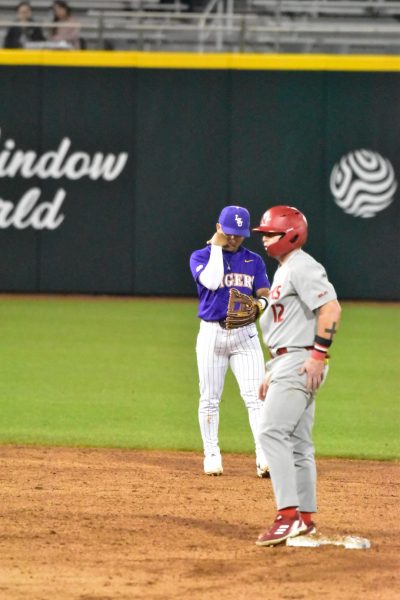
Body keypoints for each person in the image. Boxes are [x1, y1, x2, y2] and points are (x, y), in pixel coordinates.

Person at [252, 205, 341, 546]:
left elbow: (330, 308)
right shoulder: (285, 269)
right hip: (289, 361)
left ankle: (286, 517)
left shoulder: (302, 266)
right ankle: (304, 519)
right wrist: (271, 370)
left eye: (271, 233)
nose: (266, 240)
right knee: (299, 444)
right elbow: (285, 326)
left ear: (291, 234)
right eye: (264, 234)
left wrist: (318, 354)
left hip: (302, 359)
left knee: (272, 432)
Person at [189, 205, 271, 477]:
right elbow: (212, 282)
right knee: (210, 398)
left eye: (239, 234)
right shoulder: (200, 256)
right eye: (229, 233)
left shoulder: (254, 260)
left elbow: (265, 293)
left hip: (245, 336)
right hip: (212, 334)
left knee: (257, 398)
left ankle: (264, 456)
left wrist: (259, 305)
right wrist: (215, 247)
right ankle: (211, 454)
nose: (234, 238)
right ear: (219, 228)